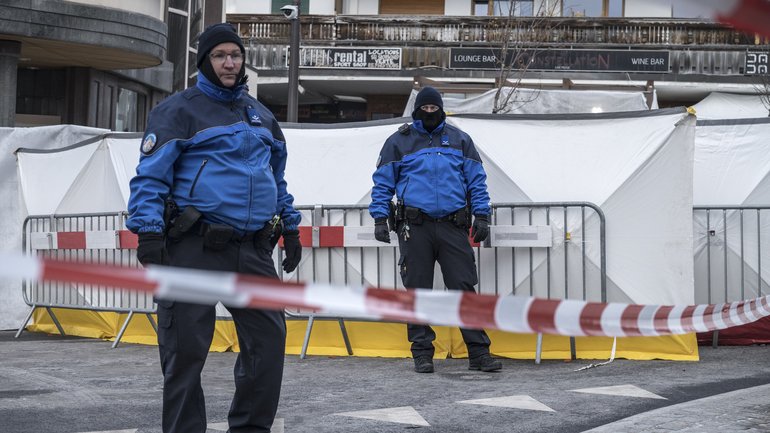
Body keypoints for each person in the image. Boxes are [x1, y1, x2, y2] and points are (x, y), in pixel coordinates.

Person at [126, 23, 302, 433]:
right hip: (192, 248)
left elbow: (276, 179)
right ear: (205, 60)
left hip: (251, 251)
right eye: (220, 55)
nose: (229, 62)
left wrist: (290, 227)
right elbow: (150, 178)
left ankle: (250, 428)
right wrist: (148, 231)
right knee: (185, 354)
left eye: (235, 55)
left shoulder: (261, 115)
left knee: (268, 344)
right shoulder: (177, 110)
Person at [369, 86, 502, 374]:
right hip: (415, 227)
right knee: (417, 291)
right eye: (425, 108)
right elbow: (382, 183)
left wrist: (482, 215)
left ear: (441, 109)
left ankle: (479, 354)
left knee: (464, 288)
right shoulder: (398, 142)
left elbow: (476, 181)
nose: (430, 113)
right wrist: (380, 217)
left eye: (434, 108)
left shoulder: (460, 140)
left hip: (453, 226)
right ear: (417, 110)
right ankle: (422, 353)